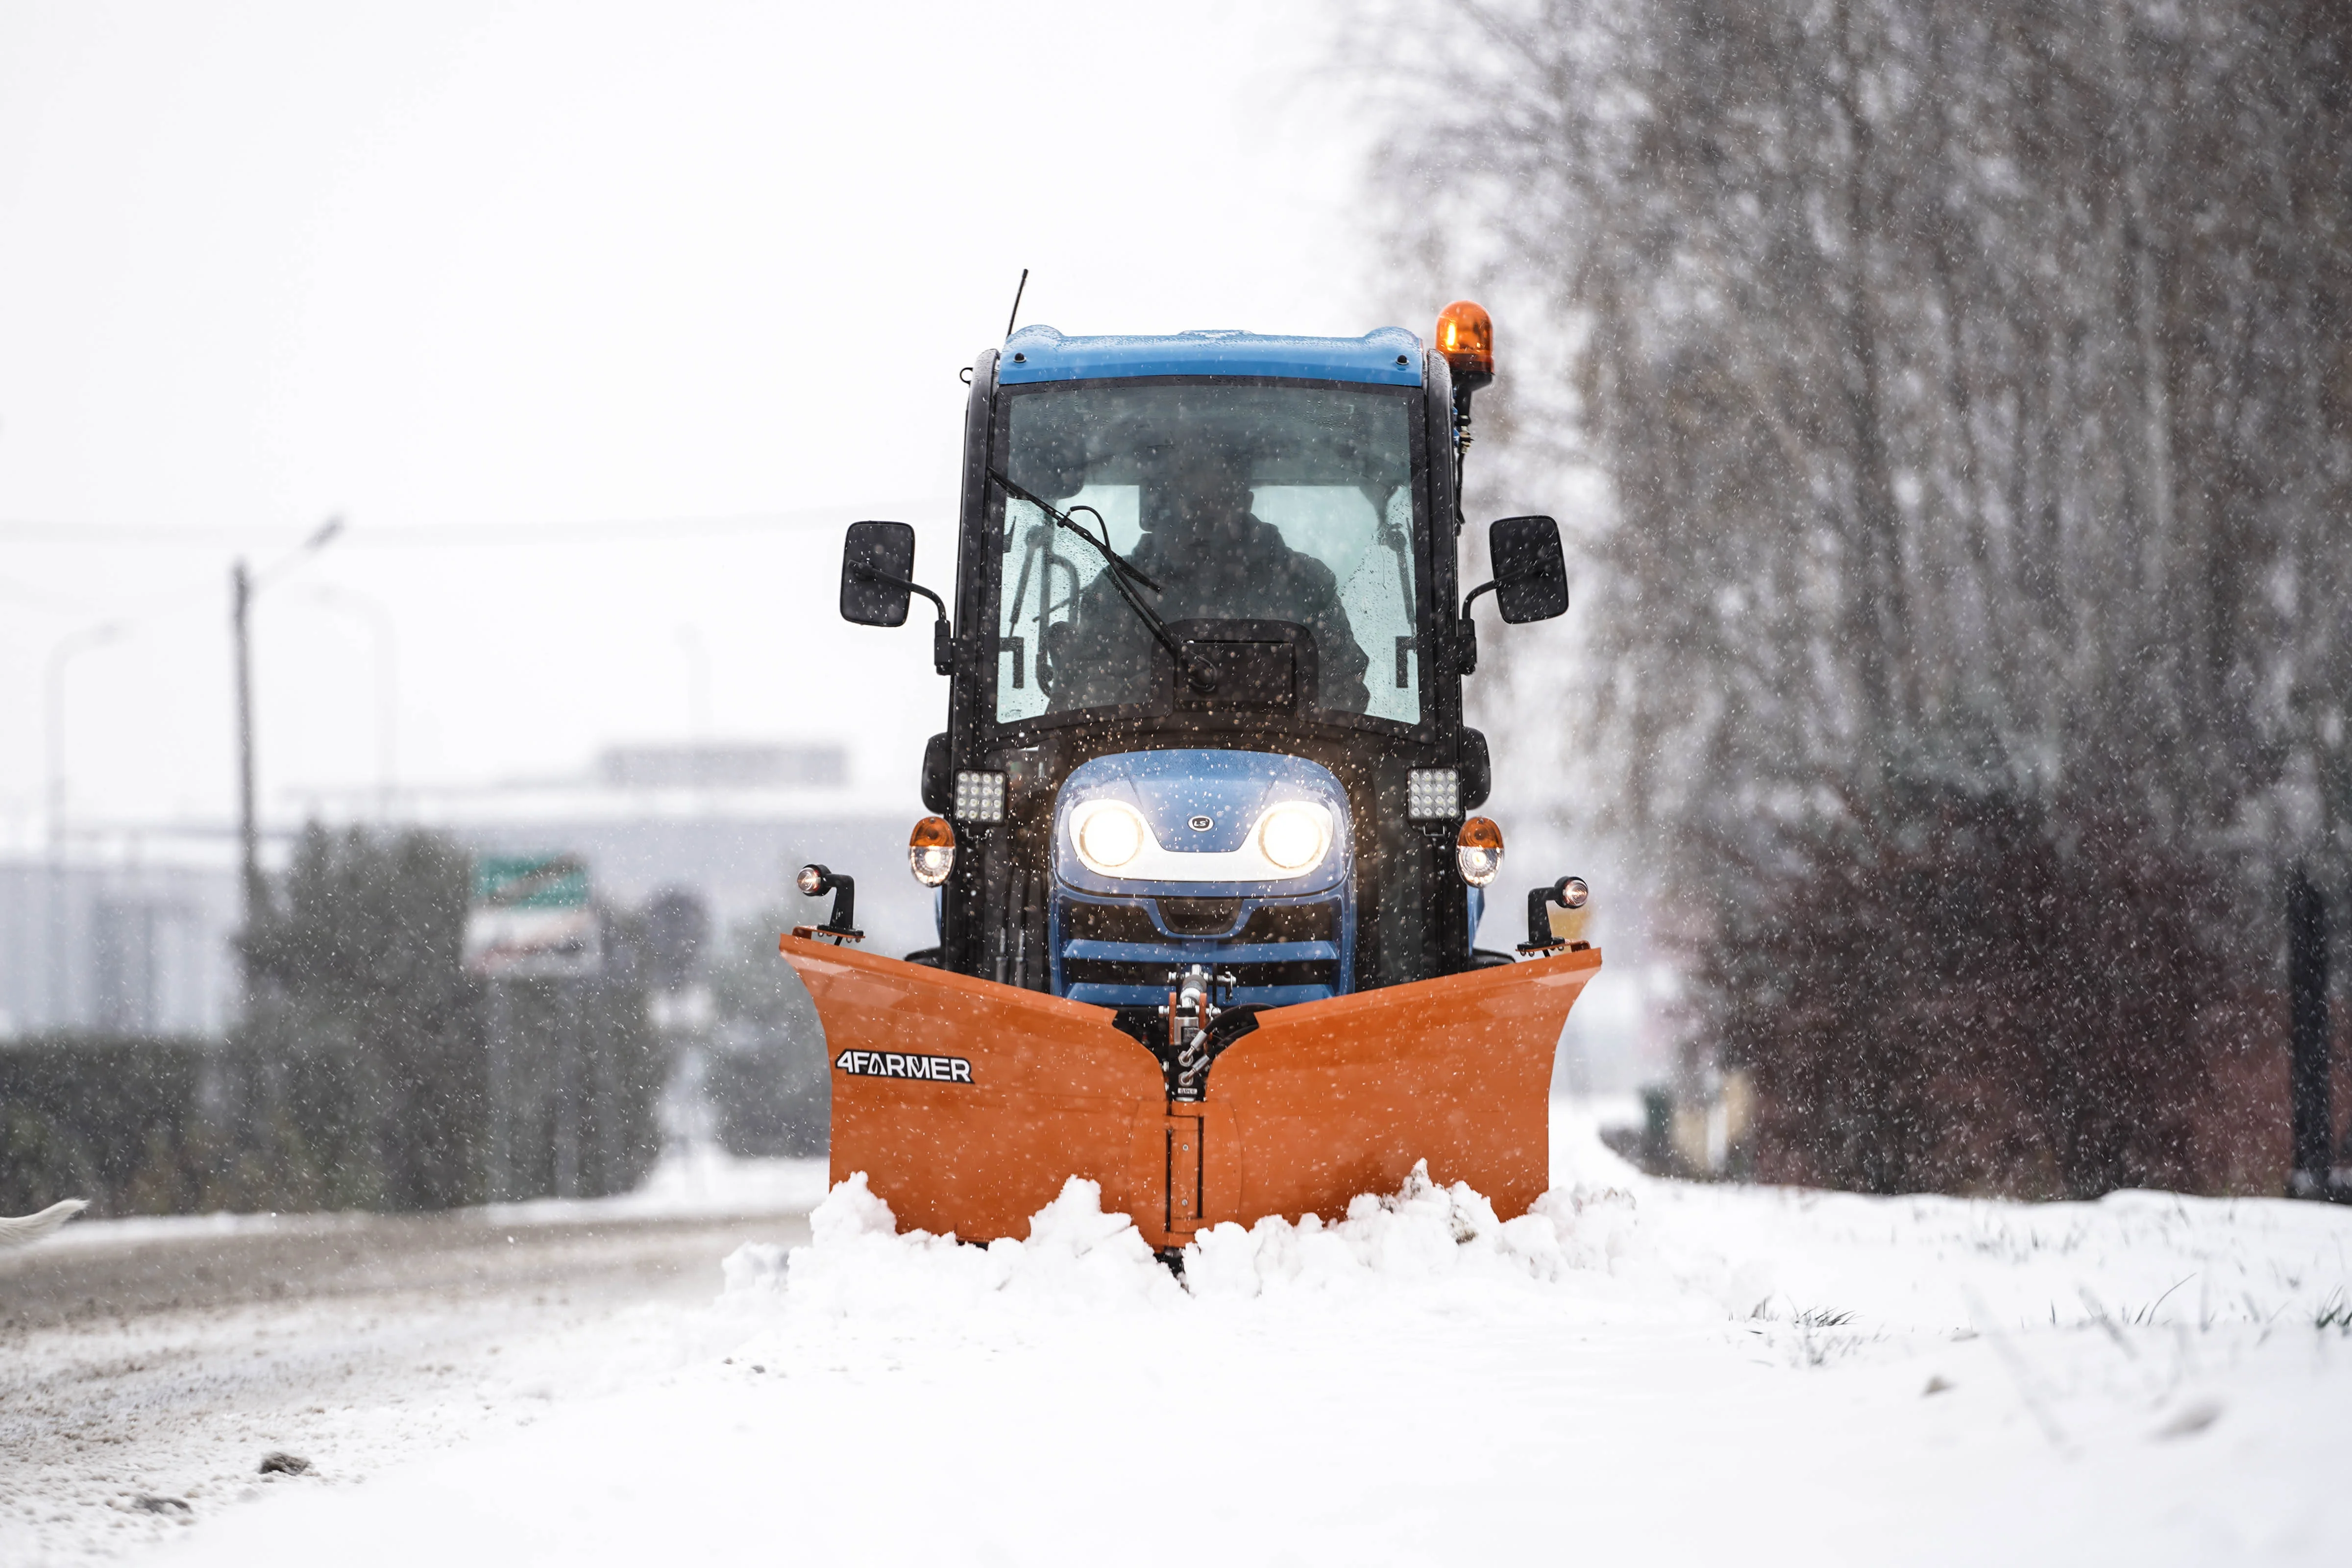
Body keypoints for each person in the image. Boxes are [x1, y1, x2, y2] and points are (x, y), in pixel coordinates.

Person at [1041, 450, 1371, 713]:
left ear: (1244, 503)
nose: (1200, 523)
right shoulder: (1120, 590)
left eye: (1216, 506)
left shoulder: (1305, 584)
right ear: (1161, 507)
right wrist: (1153, 692)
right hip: (1137, 768)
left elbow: (1343, 690)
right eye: (1190, 505)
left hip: (1292, 772)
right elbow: (1086, 694)